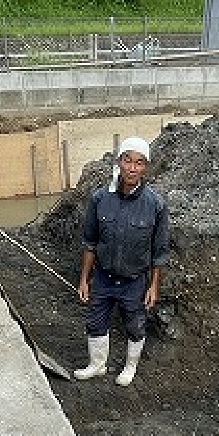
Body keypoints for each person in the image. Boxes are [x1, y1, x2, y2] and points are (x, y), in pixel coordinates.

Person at [74, 136, 169, 386]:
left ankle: (130, 367)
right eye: (128, 160)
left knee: (135, 325)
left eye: (139, 163)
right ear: (119, 162)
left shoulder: (155, 205)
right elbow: (89, 242)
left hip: (134, 281)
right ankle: (97, 365)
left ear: (145, 167)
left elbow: (159, 252)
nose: (132, 168)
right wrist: (84, 279)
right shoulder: (99, 199)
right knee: (95, 322)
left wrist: (154, 286)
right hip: (103, 277)